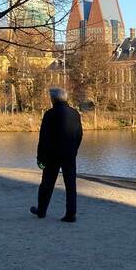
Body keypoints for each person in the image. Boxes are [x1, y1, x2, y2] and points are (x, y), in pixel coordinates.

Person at [30, 87, 83, 222]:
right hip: (69, 154)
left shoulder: (49, 114)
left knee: (47, 184)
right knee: (71, 185)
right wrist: (74, 150)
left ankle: (41, 211)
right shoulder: (75, 114)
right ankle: (71, 214)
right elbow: (79, 135)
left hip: (52, 155)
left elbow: (43, 139)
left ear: (53, 99)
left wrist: (40, 157)